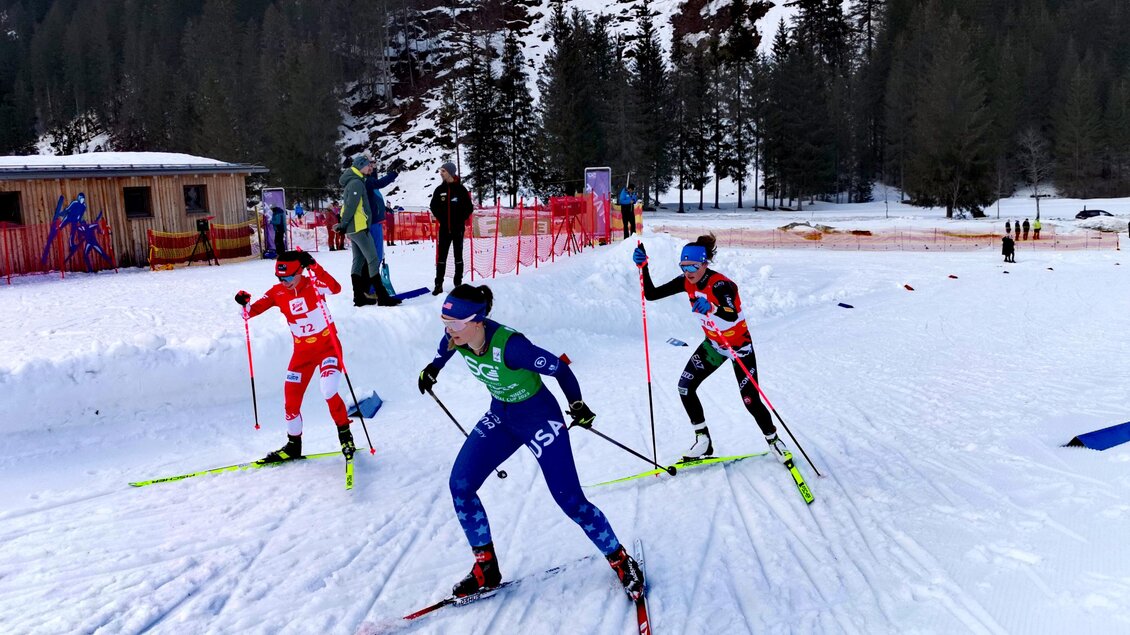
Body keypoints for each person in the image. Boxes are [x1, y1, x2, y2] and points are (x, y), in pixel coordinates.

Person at [416, 284, 644, 600]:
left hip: (539, 417)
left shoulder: (512, 347)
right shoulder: (458, 338)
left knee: (570, 500)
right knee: (461, 485)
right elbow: (444, 350)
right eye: (445, 323)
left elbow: (559, 368)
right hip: (502, 416)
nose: (448, 330)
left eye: (455, 324)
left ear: (478, 319)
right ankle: (486, 567)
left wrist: (577, 404)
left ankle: (620, 559)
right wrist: (432, 370)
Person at [632, 235, 790, 464]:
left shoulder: (719, 284)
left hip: (739, 348)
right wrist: (644, 268)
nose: (689, 271)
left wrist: (713, 307)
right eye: (684, 266)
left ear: (705, 263)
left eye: (694, 266)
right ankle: (703, 440)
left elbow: (730, 313)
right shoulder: (685, 281)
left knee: (750, 400)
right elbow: (652, 294)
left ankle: (774, 441)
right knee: (685, 387)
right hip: (714, 346)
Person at [234, 251, 356, 462]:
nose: (284, 282)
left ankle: (346, 437)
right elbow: (249, 313)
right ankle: (293, 445)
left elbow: (336, 288)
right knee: (291, 401)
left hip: (328, 347)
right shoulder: (277, 292)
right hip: (302, 353)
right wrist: (243, 303)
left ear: (300, 271)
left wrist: (315, 266)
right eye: (280, 278)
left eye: (289, 277)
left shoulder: (314, 285)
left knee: (328, 390)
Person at [336, 154, 400, 307]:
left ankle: (359, 296)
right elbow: (351, 206)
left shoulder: (358, 180)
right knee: (372, 259)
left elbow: (372, 183)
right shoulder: (357, 183)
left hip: (356, 227)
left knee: (358, 261)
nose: (370, 167)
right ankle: (381, 296)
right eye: (368, 164)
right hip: (359, 227)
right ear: (360, 166)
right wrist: (343, 224)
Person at [429, 161, 474, 296]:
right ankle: (438, 285)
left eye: (443, 171)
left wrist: (460, 219)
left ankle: (458, 284)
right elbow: (433, 206)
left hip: (457, 229)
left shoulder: (460, 189)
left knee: (458, 256)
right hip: (444, 229)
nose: (441, 173)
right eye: (440, 171)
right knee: (441, 257)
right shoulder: (439, 190)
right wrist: (441, 218)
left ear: (450, 172)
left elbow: (469, 208)